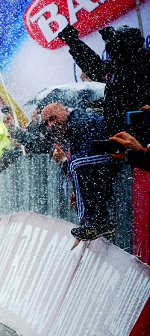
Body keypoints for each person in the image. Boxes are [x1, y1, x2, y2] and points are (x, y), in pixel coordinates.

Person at [58, 24, 150, 145]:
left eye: (116, 45)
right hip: (120, 135)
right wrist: (74, 43)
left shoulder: (143, 62)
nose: (112, 51)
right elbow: (95, 67)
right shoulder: (116, 68)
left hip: (142, 135)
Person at [41, 102, 116, 241]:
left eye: (53, 118)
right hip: (104, 159)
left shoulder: (79, 123)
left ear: (65, 112)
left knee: (75, 163)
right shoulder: (70, 127)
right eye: (46, 123)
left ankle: (94, 222)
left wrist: (64, 161)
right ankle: (97, 222)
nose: (50, 124)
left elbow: (81, 166)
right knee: (75, 165)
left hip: (115, 155)